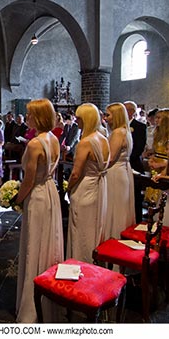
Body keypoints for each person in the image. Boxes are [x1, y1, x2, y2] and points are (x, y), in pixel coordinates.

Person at [15, 99, 63, 323]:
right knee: (48, 240)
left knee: (34, 242)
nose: (27, 118)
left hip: (37, 194)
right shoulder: (53, 139)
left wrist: (17, 199)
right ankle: (50, 293)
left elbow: (29, 180)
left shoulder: (35, 143)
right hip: (51, 192)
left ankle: (32, 304)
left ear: (40, 117)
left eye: (30, 115)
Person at [65, 103, 110, 264]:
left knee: (82, 229)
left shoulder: (86, 142)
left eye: (79, 118)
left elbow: (76, 173)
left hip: (85, 188)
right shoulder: (103, 139)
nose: (76, 121)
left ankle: (81, 261)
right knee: (95, 225)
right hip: (100, 187)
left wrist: (68, 188)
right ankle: (96, 261)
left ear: (86, 119)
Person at [103, 103, 135, 240]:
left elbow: (110, 159)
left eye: (108, 115)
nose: (105, 118)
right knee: (120, 207)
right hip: (123, 170)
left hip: (115, 172)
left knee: (114, 208)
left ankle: (113, 239)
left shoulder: (118, 133)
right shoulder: (125, 131)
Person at [124, 101, 147, 174]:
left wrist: (128, 158)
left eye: (124, 110)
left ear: (131, 111)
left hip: (133, 161)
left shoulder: (140, 126)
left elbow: (140, 146)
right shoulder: (119, 126)